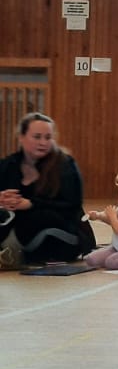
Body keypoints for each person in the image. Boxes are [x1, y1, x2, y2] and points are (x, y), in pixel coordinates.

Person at [0, 111, 94, 269]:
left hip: (61, 229)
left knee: (38, 217)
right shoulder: (8, 165)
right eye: (37, 137)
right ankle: (10, 252)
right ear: (21, 137)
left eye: (48, 137)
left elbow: (73, 205)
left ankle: (13, 253)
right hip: (19, 228)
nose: (43, 142)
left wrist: (31, 204)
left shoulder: (65, 165)